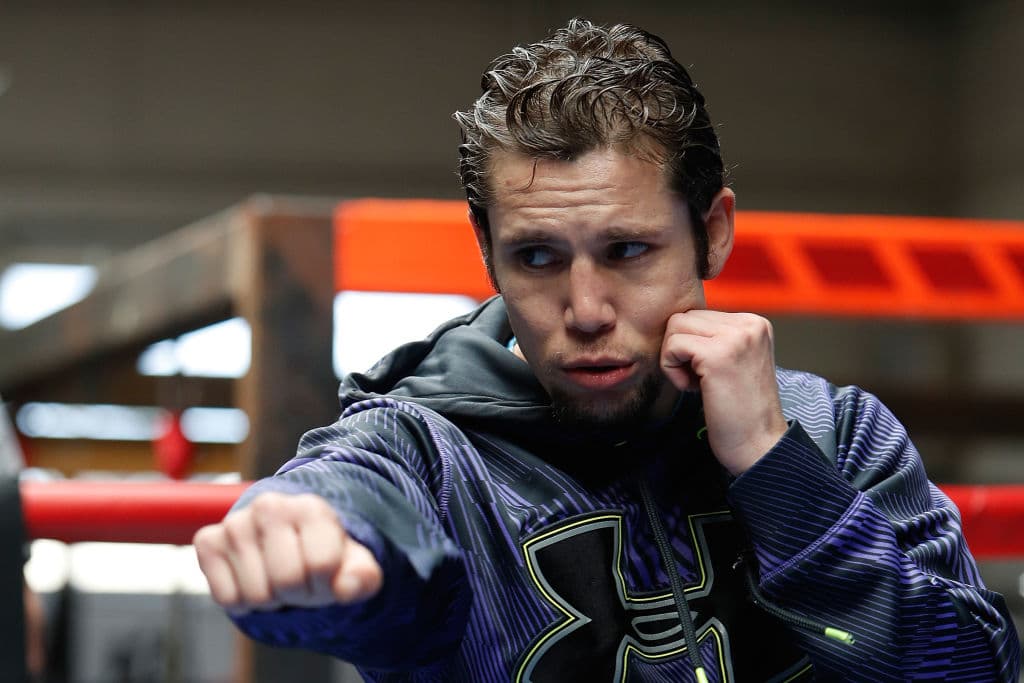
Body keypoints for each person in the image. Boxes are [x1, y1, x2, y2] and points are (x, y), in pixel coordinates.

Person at [194, 19, 1021, 682]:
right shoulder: (427, 450)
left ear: (712, 233)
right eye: (538, 257)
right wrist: (309, 528)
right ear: (488, 255)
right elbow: (353, 490)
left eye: (627, 251)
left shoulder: (837, 433)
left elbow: (973, 669)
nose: (586, 311)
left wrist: (778, 470)